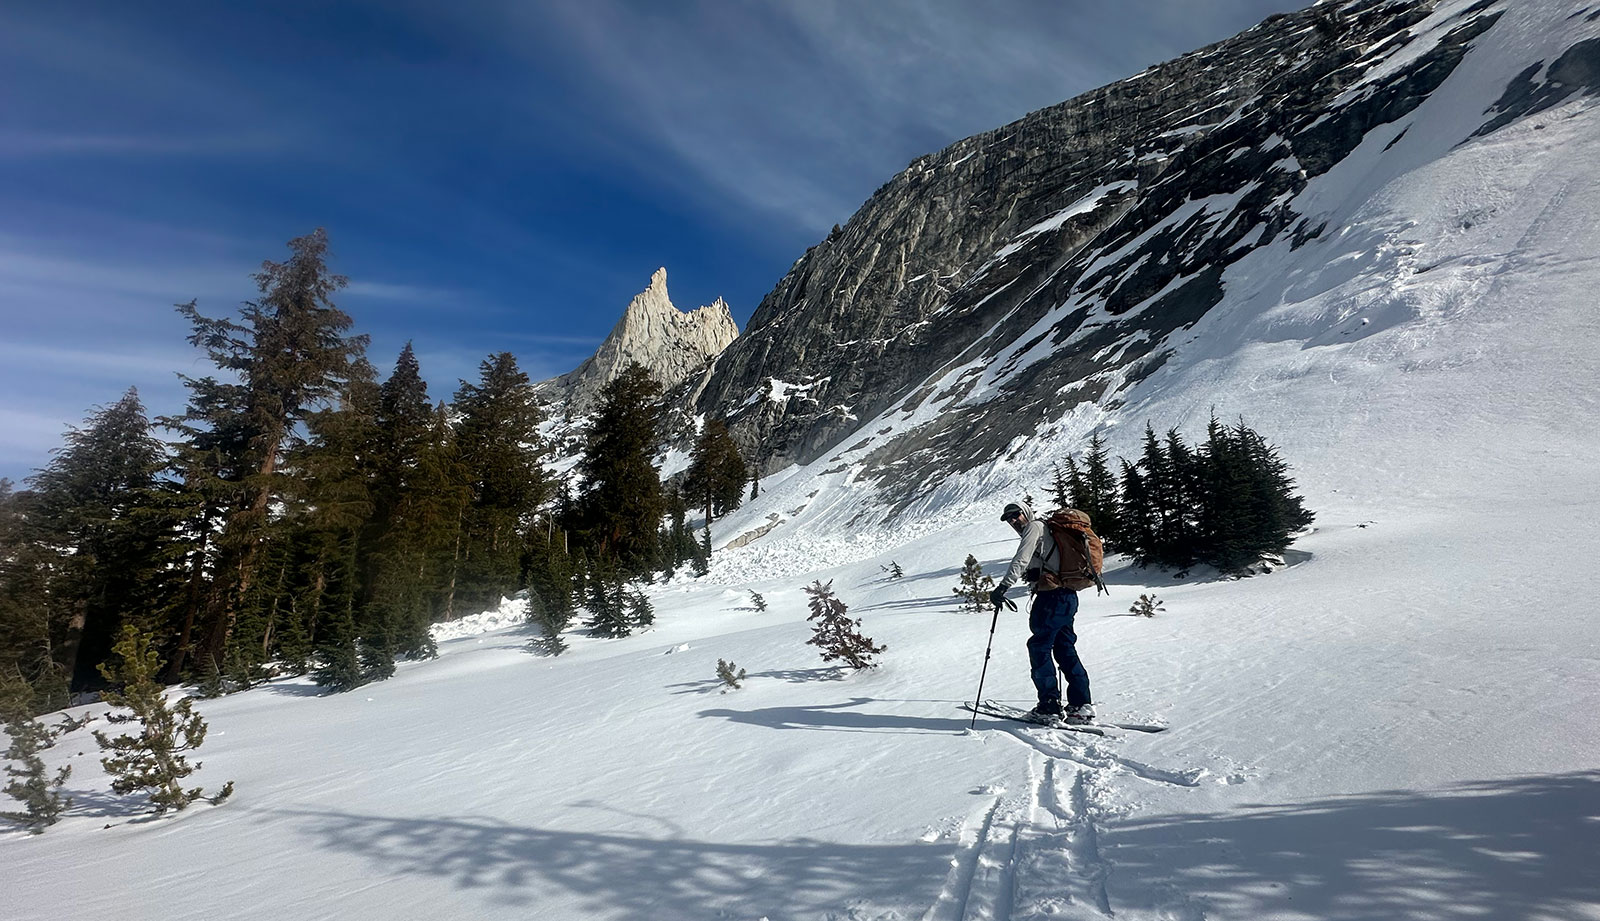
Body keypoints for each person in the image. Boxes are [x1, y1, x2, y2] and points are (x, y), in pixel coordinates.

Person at [988, 501, 1094, 723]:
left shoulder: (1034, 527)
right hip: (1066, 597)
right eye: (1008, 518)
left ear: (1025, 513)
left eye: (1015, 515)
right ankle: (1080, 705)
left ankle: (1049, 706)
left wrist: (1003, 587)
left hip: (1051, 598)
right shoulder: (1044, 529)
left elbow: (1021, 558)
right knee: (1064, 647)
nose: (1012, 521)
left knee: (1039, 647)